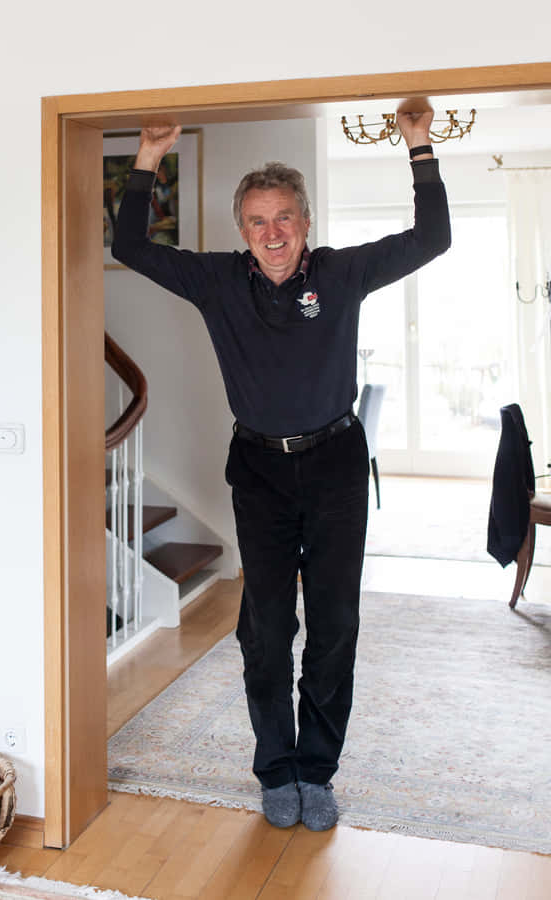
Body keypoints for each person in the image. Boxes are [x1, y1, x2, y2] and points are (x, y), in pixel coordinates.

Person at [112, 101, 451, 831]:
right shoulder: (217, 282)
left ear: (306, 222)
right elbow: (131, 246)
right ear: (242, 230)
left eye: (285, 218)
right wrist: (147, 159)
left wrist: (419, 145)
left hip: (335, 464)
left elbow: (433, 237)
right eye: (258, 221)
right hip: (260, 471)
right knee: (265, 629)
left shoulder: (342, 272)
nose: (273, 233)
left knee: (334, 623)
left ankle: (316, 771)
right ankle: (276, 768)